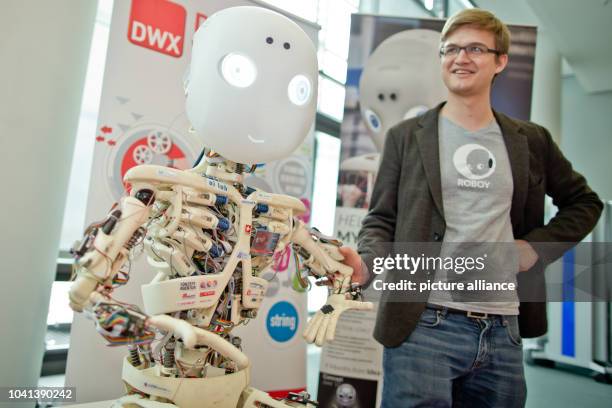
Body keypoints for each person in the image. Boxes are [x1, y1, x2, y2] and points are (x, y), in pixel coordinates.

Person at [338, 8, 603, 408]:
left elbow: (585, 202)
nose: (461, 57)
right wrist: (369, 262)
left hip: (502, 330)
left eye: (475, 48)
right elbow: (381, 220)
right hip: (422, 324)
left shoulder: (531, 140)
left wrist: (534, 247)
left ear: (500, 61)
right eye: (451, 49)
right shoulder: (406, 137)